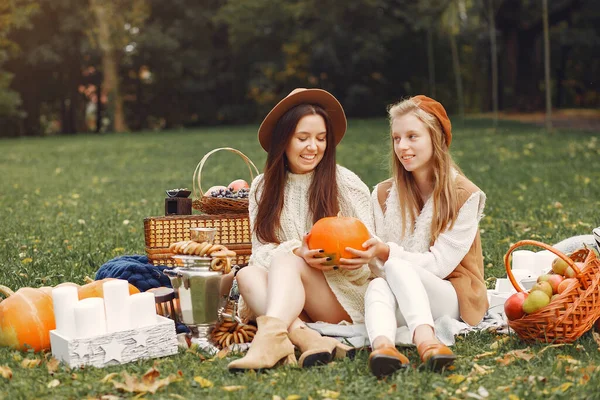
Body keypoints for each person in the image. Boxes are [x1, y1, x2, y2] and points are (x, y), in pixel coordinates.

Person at [227, 88, 375, 372]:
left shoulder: (345, 182)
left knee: (287, 259)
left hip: (341, 296)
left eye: (321, 139)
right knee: (247, 273)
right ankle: (306, 339)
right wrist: (298, 253)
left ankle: (268, 341)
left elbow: (367, 262)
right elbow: (259, 254)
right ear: (284, 139)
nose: (313, 147)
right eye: (302, 138)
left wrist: (305, 258)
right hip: (290, 299)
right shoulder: (262, 187)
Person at [341, 95, 488, 378]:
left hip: (452, 295)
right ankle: (383, 347)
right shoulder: (384, 194)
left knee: (395, 264)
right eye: (397, 138)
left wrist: (385, 253)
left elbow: (440, 265)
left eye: (412, 136)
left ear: (436, 139)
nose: (402, 147)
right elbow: (377, 266)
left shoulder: (464, 195)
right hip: (401, 292)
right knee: (377, 287)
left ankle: (425, 340)